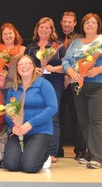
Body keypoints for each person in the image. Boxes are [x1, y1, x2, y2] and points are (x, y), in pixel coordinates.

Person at [62, 13, 102, 169]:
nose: (89, 25)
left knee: (97, 121)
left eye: (93, 23)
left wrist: (98, 70)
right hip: (79, 86)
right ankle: (89, 154)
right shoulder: (75, 43)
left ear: (98, 25)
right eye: (87, 23)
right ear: (82, 25)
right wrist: (71, 72)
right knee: (85, 122)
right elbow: (66, 62)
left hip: (100, 85)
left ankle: (98, 158)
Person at [3, 55, 58, 173]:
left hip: (40, 131)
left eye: (28, 63)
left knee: (29, 167)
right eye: (21, 64)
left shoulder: (43, 83)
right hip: (19, 132)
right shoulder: (13, 88)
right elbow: (7, 112)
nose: (24, 66)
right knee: (11, 165)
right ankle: (28, 152)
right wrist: (13, 127)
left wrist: (31, 123)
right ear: (17, 68)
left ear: (33, 67)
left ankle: (44, 155)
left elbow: (53, 107)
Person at [24, 17, 66, 163]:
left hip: (54, 83)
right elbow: (24, 66)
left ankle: (52, 152)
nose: (44, 30)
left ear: (52, 30)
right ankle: (34, 148)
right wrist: (34, 70)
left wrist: (53, 68)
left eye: (47, 27)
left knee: (53, 116)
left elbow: (66, 66)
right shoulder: (30, 47)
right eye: (41, 27)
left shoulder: (58, 46)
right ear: (37, 29)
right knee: (35, 114)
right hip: (34, 84)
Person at [57, 11, 86, 160]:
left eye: (70, 22)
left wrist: (69, 75)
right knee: (58, 116)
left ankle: (80, 151)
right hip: (58, 83)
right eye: (64, 21)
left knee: (78, 117)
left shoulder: (81, 39)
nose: (67, 24)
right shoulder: (55, 39)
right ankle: (57, 149)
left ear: (75, 23)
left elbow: (82, 60)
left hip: (75, 82)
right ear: (61, 23)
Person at [0, 22, 26, 100]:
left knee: (13, 111)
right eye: (5, 34)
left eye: (10, 33)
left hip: (16, 87)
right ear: (1, 36)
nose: (8, 36)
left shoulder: (23, 49)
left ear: (15, 34)